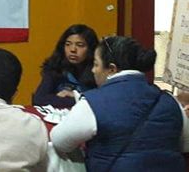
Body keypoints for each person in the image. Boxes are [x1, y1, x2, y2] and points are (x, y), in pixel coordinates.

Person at [51, 36, 189, 172]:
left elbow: (59, 141)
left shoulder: (94, 102)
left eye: (96, 64)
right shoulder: (170, 101)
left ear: (111, 69)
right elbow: (185, 146)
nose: (93, 70)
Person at [33, 24, 98, 108]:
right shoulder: (56, 66)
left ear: (91, 49)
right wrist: (81, 100)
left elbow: (102, 101)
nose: (73, 49)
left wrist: (76, 96)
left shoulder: (98, 71)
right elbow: (39, 99)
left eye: (80, 45)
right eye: (68, 44)